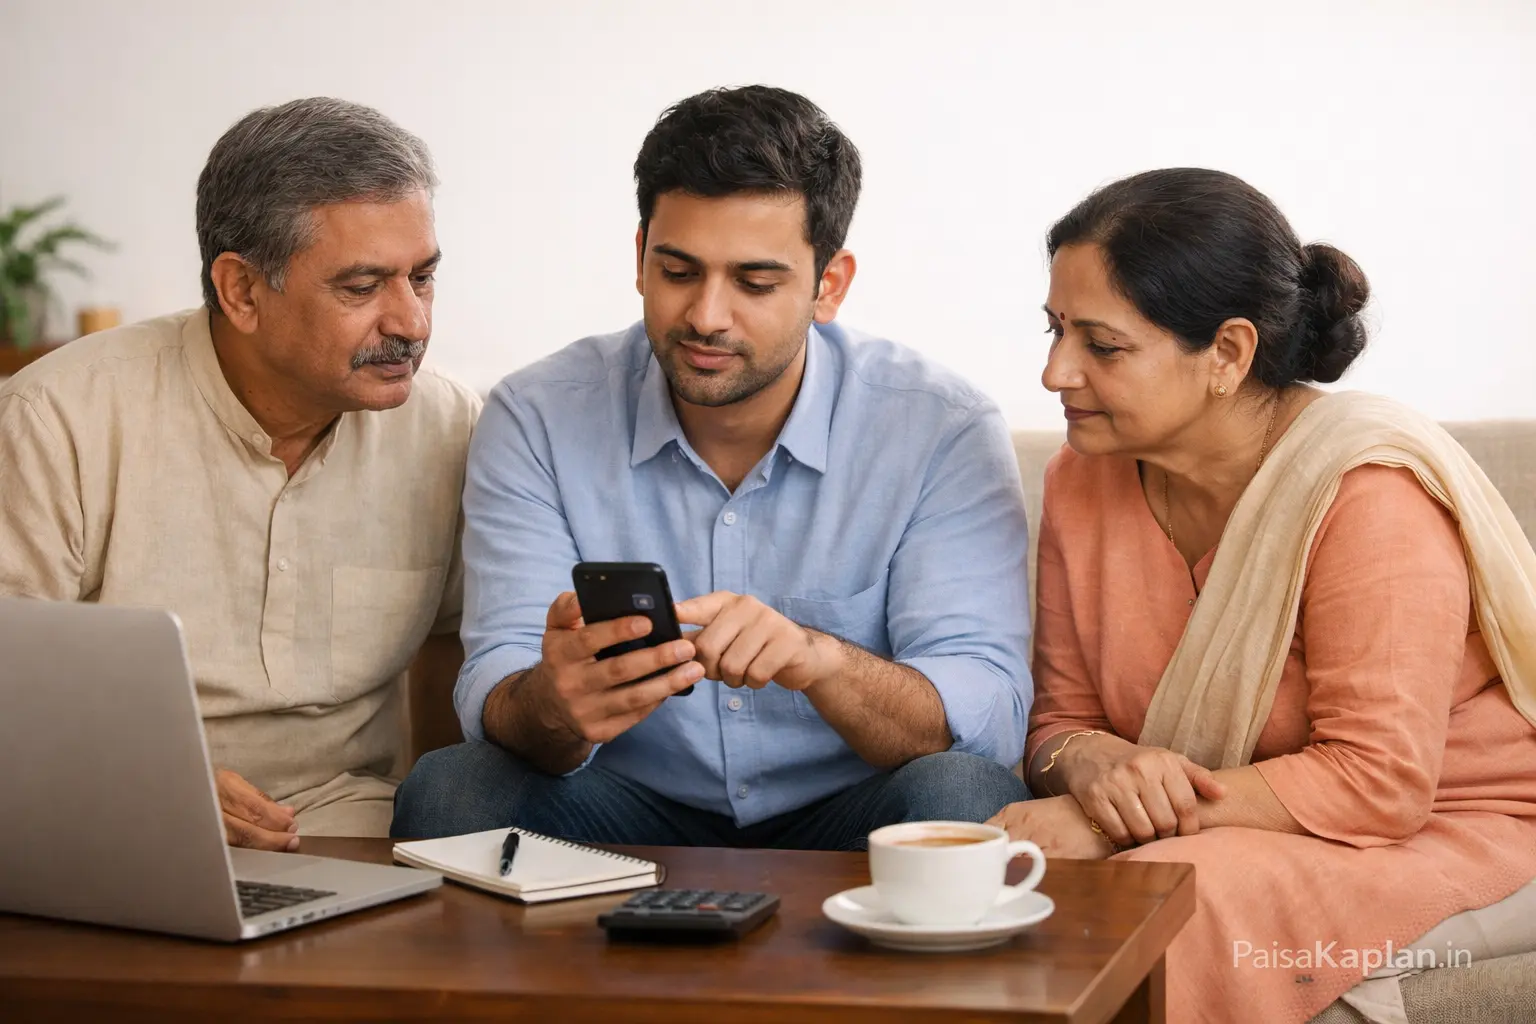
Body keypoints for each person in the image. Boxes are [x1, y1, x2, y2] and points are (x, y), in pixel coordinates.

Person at [392, 85, 1032, 848]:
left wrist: (818, 661)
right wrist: (557, 705)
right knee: (452, 788)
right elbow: (498, 681)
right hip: (622, 807)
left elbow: (985, 705)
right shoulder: (537, 414)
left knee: (968, 795)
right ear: (639, 259)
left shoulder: (940, 428)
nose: (706, 316)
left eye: (755, 283)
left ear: (830, 285)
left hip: (851, 813)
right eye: (678, 272)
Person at [987, 168, 1536, 1023]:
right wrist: (1090, 765)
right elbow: (1059, 719)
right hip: (1245, 822)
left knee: (1166, 905)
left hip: (1453, 822)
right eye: (1054, 330)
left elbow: (1377, 783)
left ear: (1230, 354)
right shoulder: (1080, 480)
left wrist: (1109, 827)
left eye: (1102, 345)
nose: (1056, 371)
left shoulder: (1364, 492)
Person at [0, 97, 481, 846]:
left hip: (356, 830)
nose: (412, 323)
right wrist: (147, 784)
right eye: (361, 287)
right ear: (242, 291)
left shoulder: (451, 426)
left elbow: (455, 648)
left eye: (421, 277)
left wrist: (449, 845)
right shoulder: (57, 418)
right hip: (110, 821)